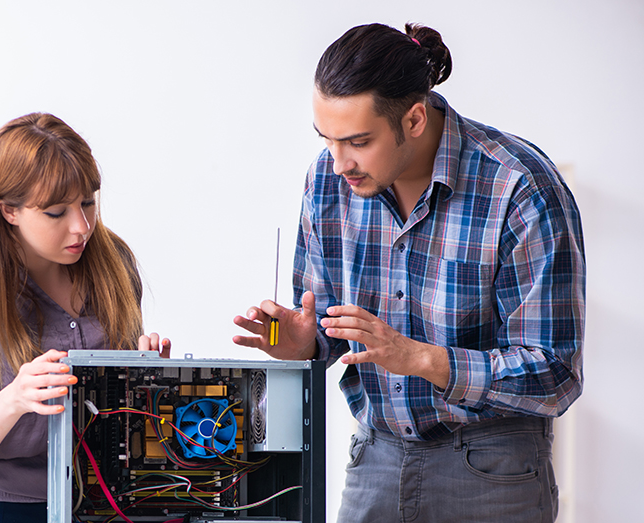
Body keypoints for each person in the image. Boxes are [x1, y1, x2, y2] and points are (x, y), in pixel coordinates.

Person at [233, 22, 585, 523]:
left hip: (493, 469)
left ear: (415, 119)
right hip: (374, 457)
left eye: (357, 141)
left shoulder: (519, 187)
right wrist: (303, 346)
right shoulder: (326, 181)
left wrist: (421, 358)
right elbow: (330, 333)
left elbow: (556, 374)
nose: (338, 163)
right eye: (327, 139)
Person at [0, 113, 170, 523]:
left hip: (119, 504)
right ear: (8, 210)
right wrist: (15, 399)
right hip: (15, 511)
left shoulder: (116, 264)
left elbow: (122, 418)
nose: (82, 226)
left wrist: (147, 377)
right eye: (56, 213)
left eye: (88, 202)